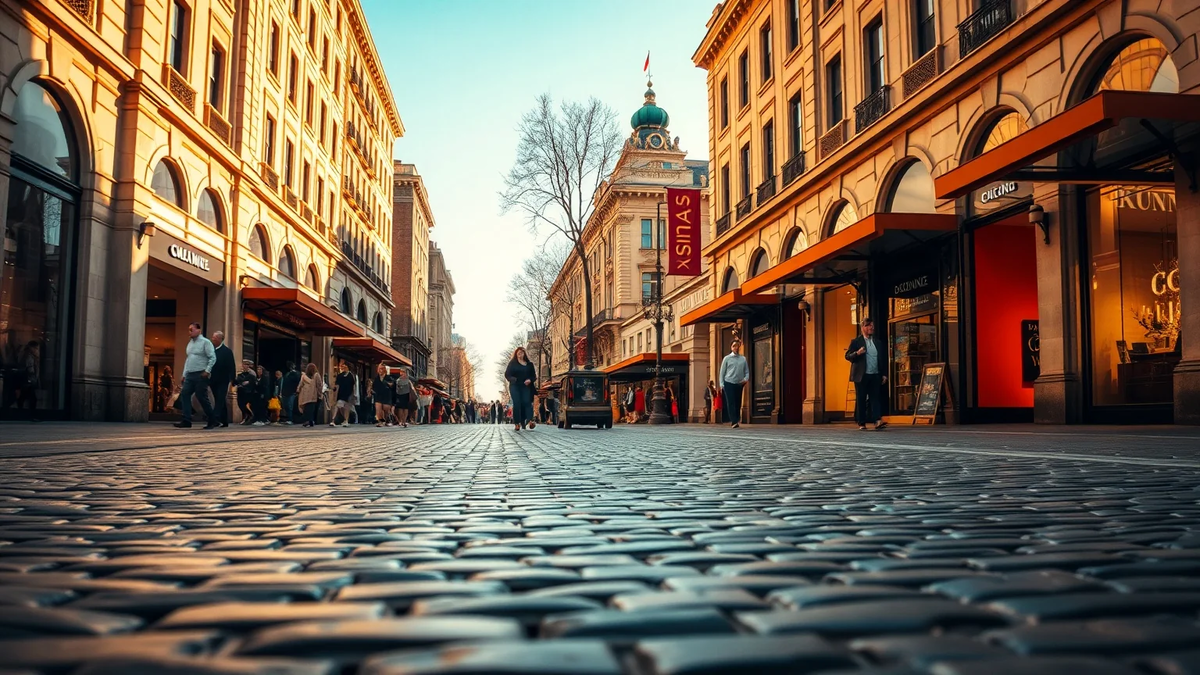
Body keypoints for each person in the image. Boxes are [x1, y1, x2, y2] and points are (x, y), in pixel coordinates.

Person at [846, 317, 888, 431]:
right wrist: (857, 353)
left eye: (872, 326)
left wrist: (884, 374)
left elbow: (882, 359)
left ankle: (877, 420)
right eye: (869, 326)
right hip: (861, 375)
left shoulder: (877, 342)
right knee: (861, 398)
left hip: (875, 374)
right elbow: (847, 356)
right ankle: (862, 422)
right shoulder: (856, 342)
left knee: (875, 398)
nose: (871, 328)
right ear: (863, 327)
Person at [174, 323, 216, 429]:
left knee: (201, 396)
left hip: (201, 373)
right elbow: (188, 359)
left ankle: (212, 419)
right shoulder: (190, 343)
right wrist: (184, 374)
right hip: (190, 374)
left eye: (191, 329)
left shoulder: (206, 342)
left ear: (198, 330)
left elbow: (212, 357)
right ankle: (186, 420)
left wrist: (207, 370)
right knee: (185, 394)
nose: (189, 332)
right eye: (188, 330)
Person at [505, 347, 537, 431]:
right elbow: (507, 374)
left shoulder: (529, 364)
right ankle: (517, 423)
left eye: (522, 353)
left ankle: (530, 421)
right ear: (516, 354)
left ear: (524, 354)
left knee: (527, 402)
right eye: (518, 353)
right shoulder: (512, 363)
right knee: (517, 403)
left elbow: (533, 376)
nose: (520, 354)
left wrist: (530, 380)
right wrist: (513, 379)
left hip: (525, 386)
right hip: (515, 386)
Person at [719, 340, 749, 429]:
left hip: (739, 383)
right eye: (734, 346)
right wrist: (722, 384)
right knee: (731, 402)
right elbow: (722, 372)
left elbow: (747, 371)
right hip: (728, 382)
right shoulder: (726, 358)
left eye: (737, 346)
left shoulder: (743, 359)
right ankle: (734, 421)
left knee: (737, 402)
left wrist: (745, 379)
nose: (736, 347)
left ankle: (737, 418)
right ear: (731, 347)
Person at [209, 331, 235, 428]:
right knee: (219, 399)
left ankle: (214, 419)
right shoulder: (211, 350)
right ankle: (225, 420)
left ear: (220, 339)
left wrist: (232, 379)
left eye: (214, 337)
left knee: (220, 398)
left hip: (223, 380)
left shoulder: (227, 351)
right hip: (213, 379)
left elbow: (231, 365)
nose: (212, 339)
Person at [297, 363, 323, 427]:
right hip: (313, 395)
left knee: (306, 409)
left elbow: (300, 385)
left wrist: (298, 391)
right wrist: (320, 394)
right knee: (311, 408)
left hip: (304, 395)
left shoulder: (303, 376)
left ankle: (307, 421)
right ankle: (310, 421)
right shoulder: (316, 375)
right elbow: (319, 385)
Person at [330, 361, 355, 427]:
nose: (343, 367)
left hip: (348, 394)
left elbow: (353, 386)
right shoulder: (340, 376)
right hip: (341, 394)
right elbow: (337, 385)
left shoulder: (351, 376)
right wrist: (335, 394)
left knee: (346, 408)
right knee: (338, 406)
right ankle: (333, 420)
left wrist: (353, 395)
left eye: (345, 365)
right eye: (343, 366)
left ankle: (346, 420)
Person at [235, 360, 258, 425]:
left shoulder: (251, 373)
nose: (244, 366)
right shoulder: (241, 373)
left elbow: (254, 382)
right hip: (241, 391)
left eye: (246, 365)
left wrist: (248, 382)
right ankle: (246, 417)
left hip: (248, 392)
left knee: (245, 405)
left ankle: (249, 416)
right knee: (240, 404)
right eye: (244, 364)